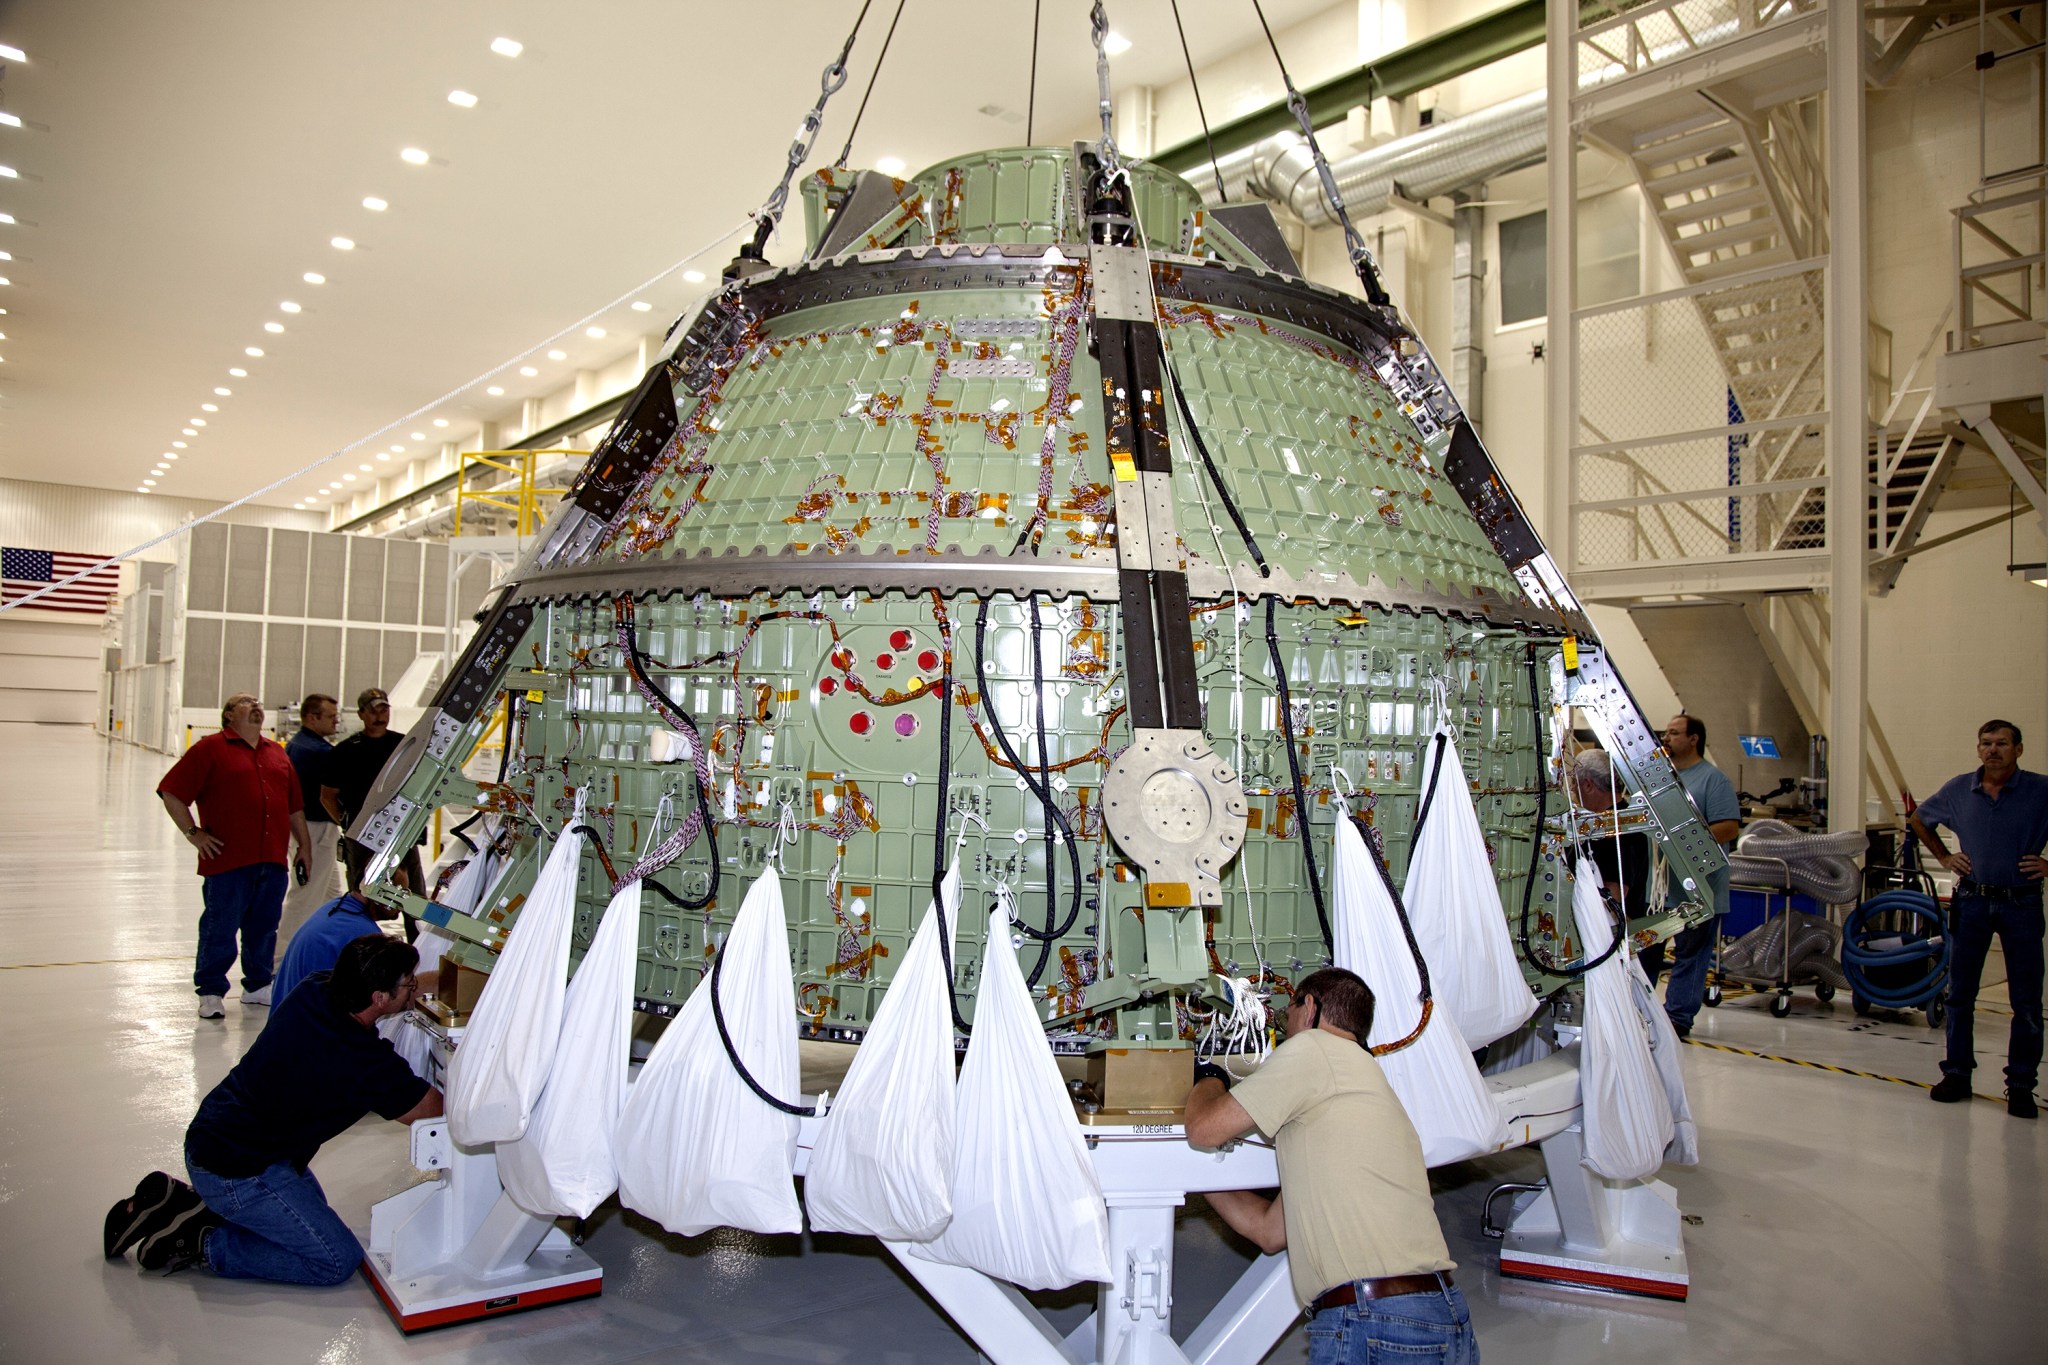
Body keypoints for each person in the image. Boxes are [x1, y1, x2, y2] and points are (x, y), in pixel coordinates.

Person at [104, 935, 442, 1280]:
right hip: (237, 1171)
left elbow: (399, 997)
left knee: (308, 1218)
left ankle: (183, 1204)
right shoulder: (362, 1062)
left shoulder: (318, 990)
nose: (414, 986)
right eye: (407, 982)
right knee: (336, 1259)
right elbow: (435, 1111)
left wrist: (467, 979)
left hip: (220, 1136)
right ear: (379, 998)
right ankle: (199, 1240)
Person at [1184, 967, 1477, 1364]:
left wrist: (1207, 1074)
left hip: (1375, 1322)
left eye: (1287, 1012)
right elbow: (1268, 1231)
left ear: (1309, 1008)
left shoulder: (1314, 1050)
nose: (1286, 1026)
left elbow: (1204, 1128)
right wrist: (1198, 1176)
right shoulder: (1362, 1084)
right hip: (1442, 1318)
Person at [1910, 719, 2048, 1120]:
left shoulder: (2039, 791)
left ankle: (2021, 1085)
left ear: (2018, 750)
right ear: (1978, 749)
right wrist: (1944, 857)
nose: (1993, 750)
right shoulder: (1959, 789)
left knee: (2024, 1001)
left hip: (2020, 904)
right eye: (1986, 743)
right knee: (1959, 994)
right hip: (1972, 902)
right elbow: (1919, 819)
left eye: (2002, 743)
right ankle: (1956, 1074)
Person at [157, 693, 312, 1020]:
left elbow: (294, 806)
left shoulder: (277, 754)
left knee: (264, 927)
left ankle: (257, 985)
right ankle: (211, 991)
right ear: (229, 715)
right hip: (228, 861)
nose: (256, 706)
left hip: (271, 861)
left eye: (258, 703)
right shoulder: (209, 749)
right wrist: (193, 833)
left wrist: (305, 848)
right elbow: (171, 791)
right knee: (219, 927)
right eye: (246, 702)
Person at [1656, 714, 1740, 1037]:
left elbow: (1728, 826)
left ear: (1694, 739)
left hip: (1700, 888)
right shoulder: (1664, 778)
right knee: (1649, 949)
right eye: (1666, 732)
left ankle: (1678, 1017)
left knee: (1690, 954)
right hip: (1663, 888)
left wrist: (1683, 839)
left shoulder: (1713, 781)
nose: (1667, 738)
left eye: (1674, 733)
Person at [320, 687, 425, 900]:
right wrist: (348, 824)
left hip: (401, 831)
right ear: (361, 714)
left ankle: (417, 933)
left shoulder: (405, 746)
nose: (379, 716)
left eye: (384, 710)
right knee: (362, 896)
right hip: (362, 837)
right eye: (373, 711)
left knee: (412, 895)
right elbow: (327, 796)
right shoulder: (345, 751)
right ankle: (364, 933)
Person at [277, 693, 342, 962]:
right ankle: (280, 961)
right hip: (315, 831)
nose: (336, 721)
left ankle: (330, 952)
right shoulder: (316, 752)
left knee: (331, 896)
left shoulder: (298, 746)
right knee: (306, 896)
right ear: (312, 718)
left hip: (310, 830)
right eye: (330, 716)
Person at [274, 869, 390, 1004]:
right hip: (308, 1020)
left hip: (288, 1016)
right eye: (401, 893)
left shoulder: (335, 906)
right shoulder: (365, 934)